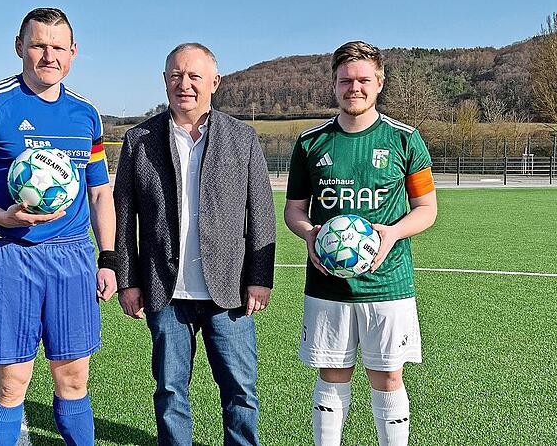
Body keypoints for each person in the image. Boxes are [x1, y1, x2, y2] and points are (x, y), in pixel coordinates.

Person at [0, 7, 116, 446]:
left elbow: (99, 192)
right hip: (13, 255)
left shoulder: (86, 115)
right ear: (20, 47)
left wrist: (109, 258)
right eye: (38, 45)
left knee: (74, 378)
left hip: (73, 257)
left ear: (73, 52)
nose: (48, 56)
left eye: (58, 47)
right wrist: (3, 216)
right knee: (12, 383)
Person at [113, 43, 276, 446]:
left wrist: (259, 278)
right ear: (165, 80)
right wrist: (127, 280)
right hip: (165, 293)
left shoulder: (242, 138)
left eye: (194, 76)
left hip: (229, 294)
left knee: (241, 393)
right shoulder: (139, 139)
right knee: (170, 393)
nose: (184, 84)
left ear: (214, 82)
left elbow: (261, 211)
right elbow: (124, 216)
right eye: (175, 75)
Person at [284, 41, 437, 446]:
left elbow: (427, 209)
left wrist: (393, 233)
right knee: (332, 374)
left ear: (379, 83)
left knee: (387, 377)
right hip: (328, 285)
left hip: (388, 284)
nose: (355, 87)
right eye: (346, 80)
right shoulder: (311, 143)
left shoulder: (405, 139)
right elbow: (294, 210)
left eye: (364, 80)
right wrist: (310, 233)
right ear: (334, 84)